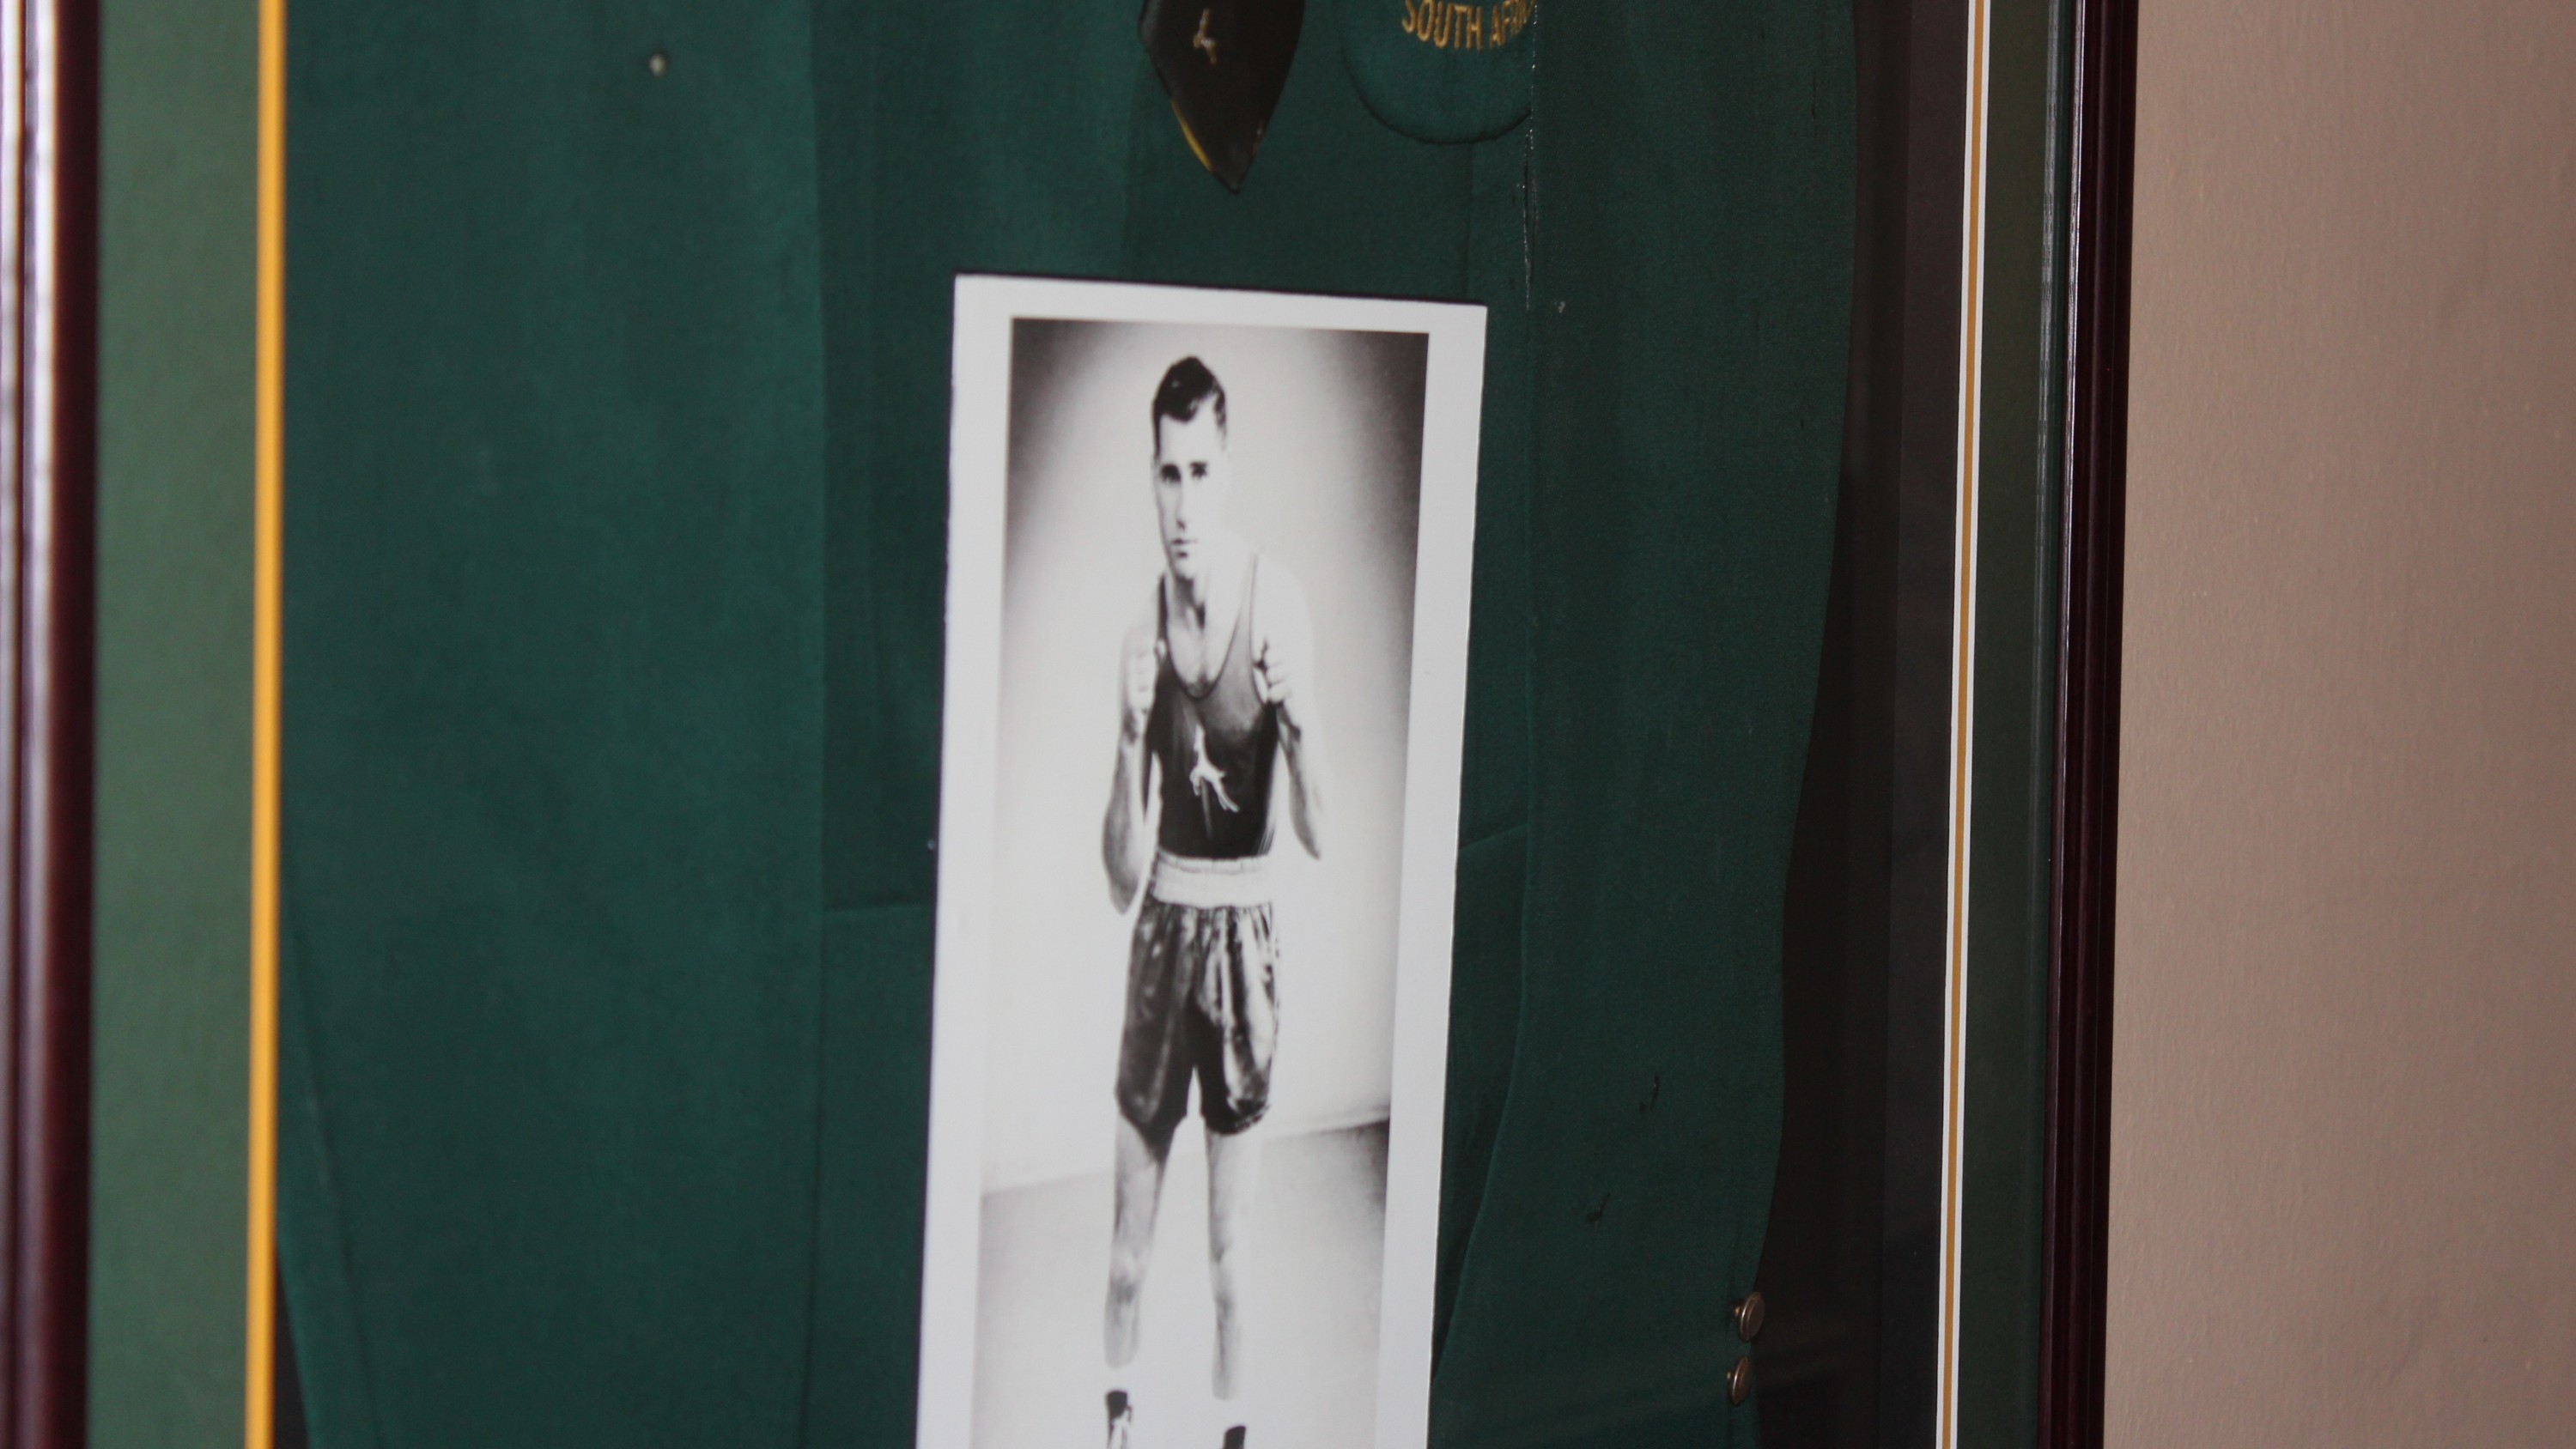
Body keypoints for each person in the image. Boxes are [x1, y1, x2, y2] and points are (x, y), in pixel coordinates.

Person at [1098, 356, 1325, 1449]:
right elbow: (1116, 877)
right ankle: (1116, 1426)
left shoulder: (1278, 605)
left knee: (1231, 1264)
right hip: (1161, 932)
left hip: (1244, 941)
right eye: (1166, 474)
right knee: (1125, 1259)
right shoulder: (1139, 635)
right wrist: (1121, 740)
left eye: (1200, 472)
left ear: (1226, 472)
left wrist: (1302, 722)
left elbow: (1322, 833)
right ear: (1150, 478)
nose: (1183, 504)